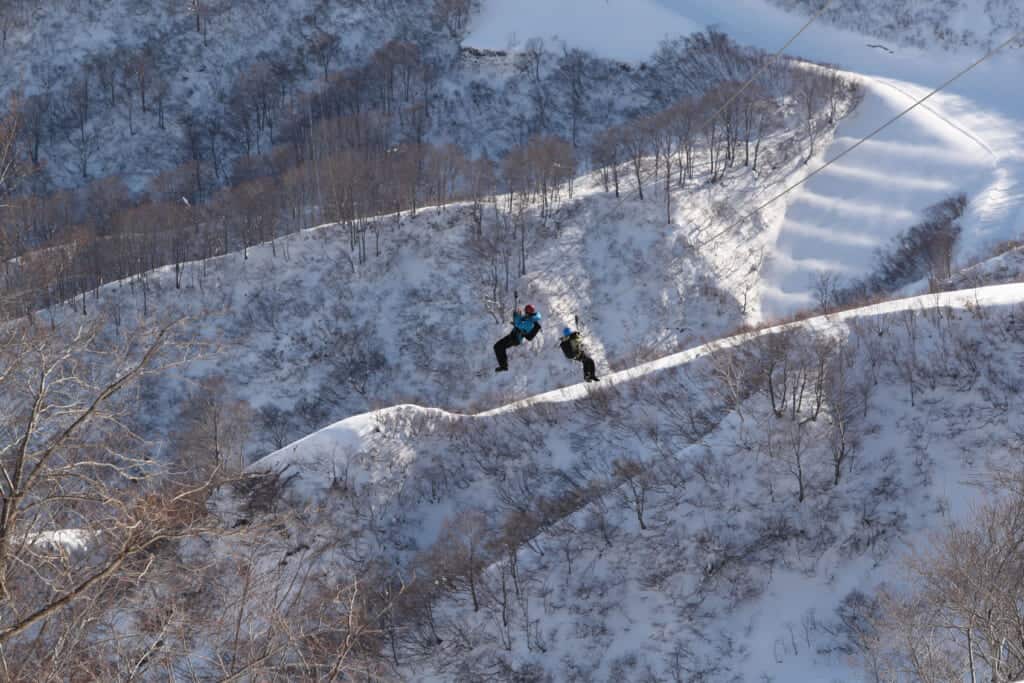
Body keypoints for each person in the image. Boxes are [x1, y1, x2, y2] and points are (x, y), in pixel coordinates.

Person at [494, 304, 542, 372]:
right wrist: (517, 317)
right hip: (514, 336)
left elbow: (519, 325)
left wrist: (516, 316)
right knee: (499, 347)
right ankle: (504, 366)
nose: (525, 313)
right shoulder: (529, 319)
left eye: (526, 312)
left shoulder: (530, 322)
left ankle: (504, 366)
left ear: (528, 312)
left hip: (515, 338)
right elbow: (520, 324)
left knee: (498, 347)